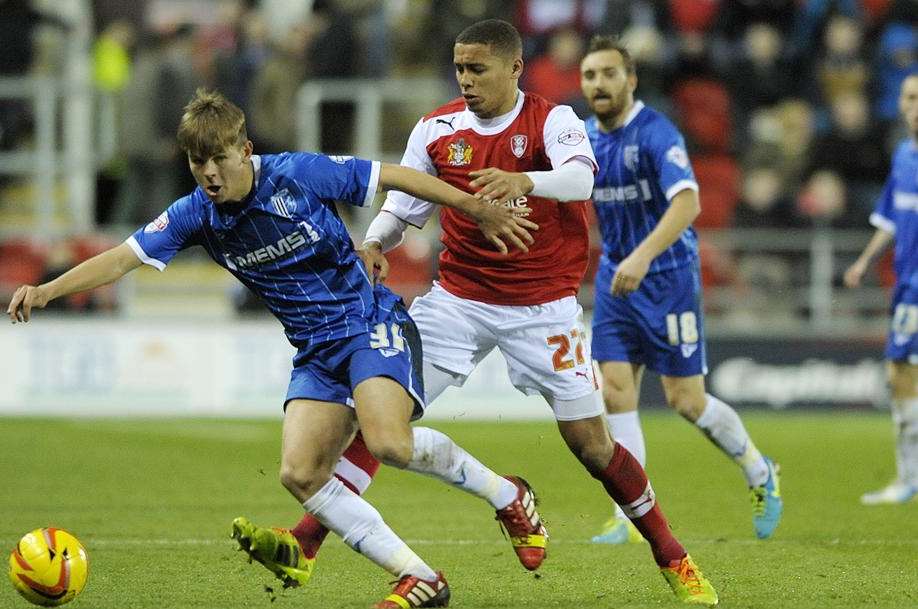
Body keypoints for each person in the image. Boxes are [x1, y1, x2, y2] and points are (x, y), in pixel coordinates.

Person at [240, 19, 718, 607]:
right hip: (457, 303)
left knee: (593, 448)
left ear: (514, 68)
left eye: (478, 69)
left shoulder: (552, 120)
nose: (465, 80)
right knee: (380, 418)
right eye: (459, 68)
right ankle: (307, 545)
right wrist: (375, 244)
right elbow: (403, 205)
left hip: (544, 310)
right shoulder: (437, 129)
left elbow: (579, 181)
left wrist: (524, 178)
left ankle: (673, 557)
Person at [6, 88, 540, 609]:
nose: (210, 173)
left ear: (244, 150)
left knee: (389, 444)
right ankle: (419, 578)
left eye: (219, 158)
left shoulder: (296, 173)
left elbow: (393, 177)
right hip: (315, 349)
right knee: (300, 474)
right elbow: (122, 258)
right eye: (198, 162)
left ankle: (505, 494)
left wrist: (473, 208)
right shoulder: (195, 213)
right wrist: (48, 289)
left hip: (366, 320)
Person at [579, 36, 783, 544]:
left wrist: (643, 256)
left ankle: (760, 470)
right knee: (616, 390)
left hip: (667, 277)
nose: (598, 84)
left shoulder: (655, 133)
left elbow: (688, 203)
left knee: (686, 401)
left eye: (608, 73)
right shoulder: (583, 138)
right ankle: (629, 513)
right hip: (615, 280)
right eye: (589, 75)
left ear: (631, 80)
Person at [844, 73, 918, 505]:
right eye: (908, 97)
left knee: (901, 372)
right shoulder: (905, 156)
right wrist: (863, 261)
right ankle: (908, 477)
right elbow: (891, 218)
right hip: (907, 287)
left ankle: (909, 477)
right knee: (900, 373)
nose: (913, 105)